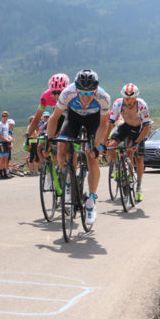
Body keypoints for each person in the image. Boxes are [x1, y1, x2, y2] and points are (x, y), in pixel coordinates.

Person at [47, 69, 111, 225]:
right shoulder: (67, 93)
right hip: (73, 118)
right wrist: (49, 140)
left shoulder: (103, 97)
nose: (85, 97)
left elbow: (103, 125)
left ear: (96, 90)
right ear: (76, 89)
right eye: (82, 93)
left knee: (92, 157)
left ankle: (91, 201)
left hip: (94, 121)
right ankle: (68, 179)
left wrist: (95, 145)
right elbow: (54, 118)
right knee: (62, 147)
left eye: (90, 93)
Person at [106, 83, 151, 202]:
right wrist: (106, 139)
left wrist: (136, 142)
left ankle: (139, 187)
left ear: (136, 97)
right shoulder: (118, 104)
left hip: (138, 129)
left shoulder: (141, 105)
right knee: (110, 146)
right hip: (125, 126)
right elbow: (111, 123)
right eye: (127, 98)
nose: (129, 101)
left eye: (131, 99)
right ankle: (117, 167)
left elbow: (146, 127)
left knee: (138, 158)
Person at [27, 73, 69, 168]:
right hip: (57, 116)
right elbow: (37, 118)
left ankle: (71, 174)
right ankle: (47, 172)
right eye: (54, 93)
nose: (57, 96)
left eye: (60, 93)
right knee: (40, 147)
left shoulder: (71, 94)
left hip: (69, 116)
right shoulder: (46, 96)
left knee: (69, 149)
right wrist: (28, 135)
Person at [0, 111, 13, 179]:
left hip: (6, 142)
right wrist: (7, 140)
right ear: (1, 117)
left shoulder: (7, 124)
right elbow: (0, 136)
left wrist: (10, 137)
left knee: (6, 158)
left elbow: (7, 133)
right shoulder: (0, 124)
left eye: (6, 116)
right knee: (2, 159)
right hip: (2, 143)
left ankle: (5, 173)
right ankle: (1, 174)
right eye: (3, 116)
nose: (5, 117)